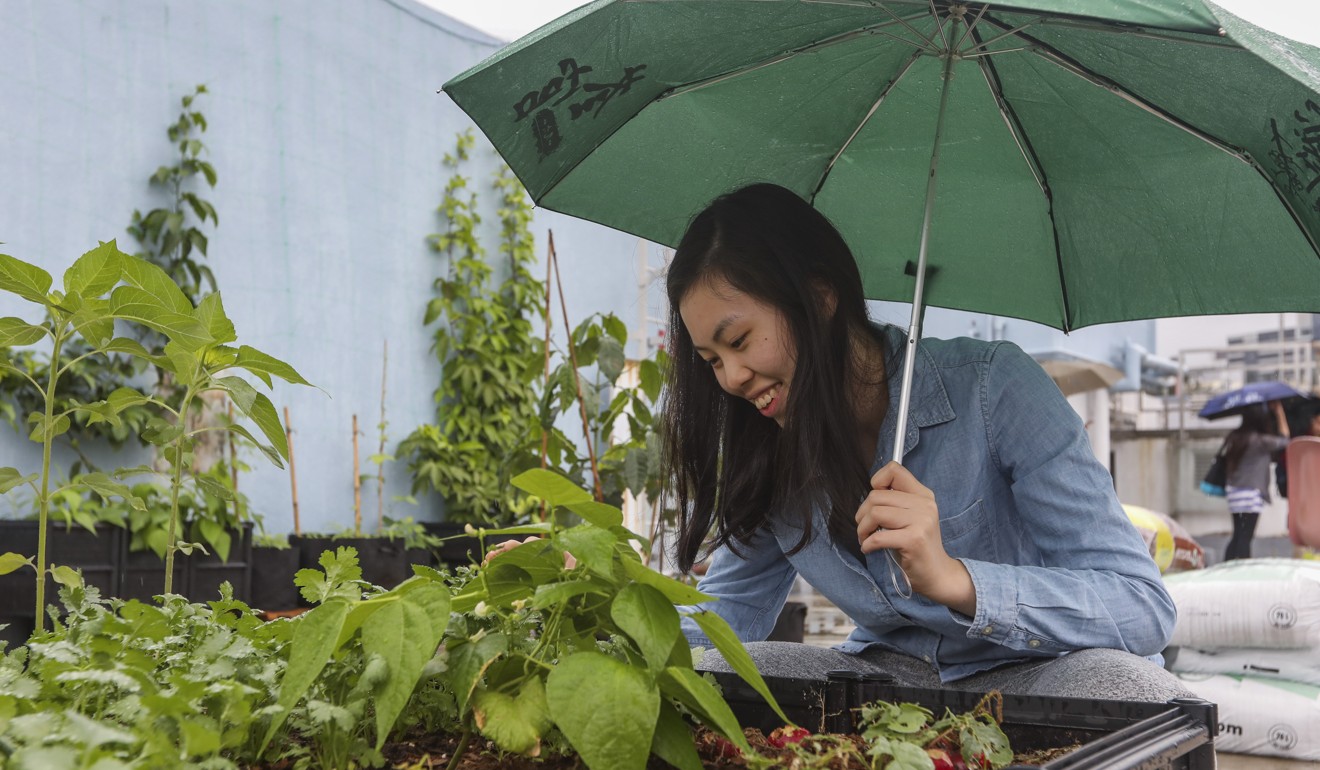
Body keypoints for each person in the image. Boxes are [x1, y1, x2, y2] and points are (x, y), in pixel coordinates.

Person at [659, 183, 1186, 703]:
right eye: (711, 361)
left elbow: (1141, 608)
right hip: (892, 685)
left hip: (1038, 677)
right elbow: (722, 620)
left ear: (818, 299)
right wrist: (610, 636)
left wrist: (957, 580)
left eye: (739, 342)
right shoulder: (769, 451)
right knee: (740, 672)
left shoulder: (992, 389)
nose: (730, 378)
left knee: (1131, 688)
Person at [1221, 401, 1290, 561]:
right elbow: (1285, 440)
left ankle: (1226, 567)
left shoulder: (1235, 437)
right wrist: (1279, 412)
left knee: (1238, 534)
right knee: (1246, 537)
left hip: (1234, 492)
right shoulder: (1259, 441)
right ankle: (1243, 569)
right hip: (1250, 493)